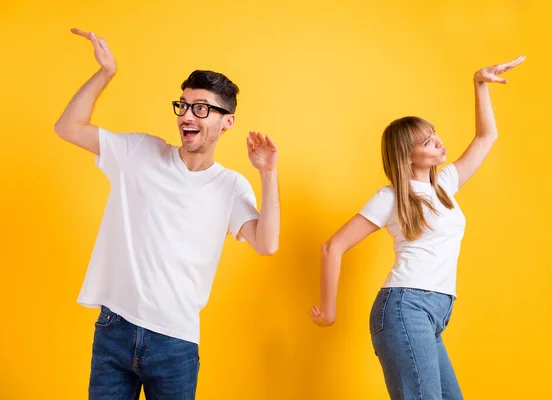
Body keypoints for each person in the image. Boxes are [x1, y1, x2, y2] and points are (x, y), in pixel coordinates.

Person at [54, 28, 280, 400]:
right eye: (184, 105)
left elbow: (266, 243)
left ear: (227, 121)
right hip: (115, 327)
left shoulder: (231, 186)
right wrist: (105, 73)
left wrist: (268, 174)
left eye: (201, 108)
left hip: (176, 342)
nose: (188, 115)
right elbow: (68, 128)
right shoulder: (139, 152)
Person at [310, 56, 525, 399]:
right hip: (405, 308)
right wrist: (329, 310)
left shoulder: (446, 185)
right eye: (426, 141)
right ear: (407, 155)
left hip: (434, 314)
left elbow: (487, 136)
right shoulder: (392, 196)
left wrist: (479, 83)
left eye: (434, 134)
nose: (438, 142)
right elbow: (332, 246)